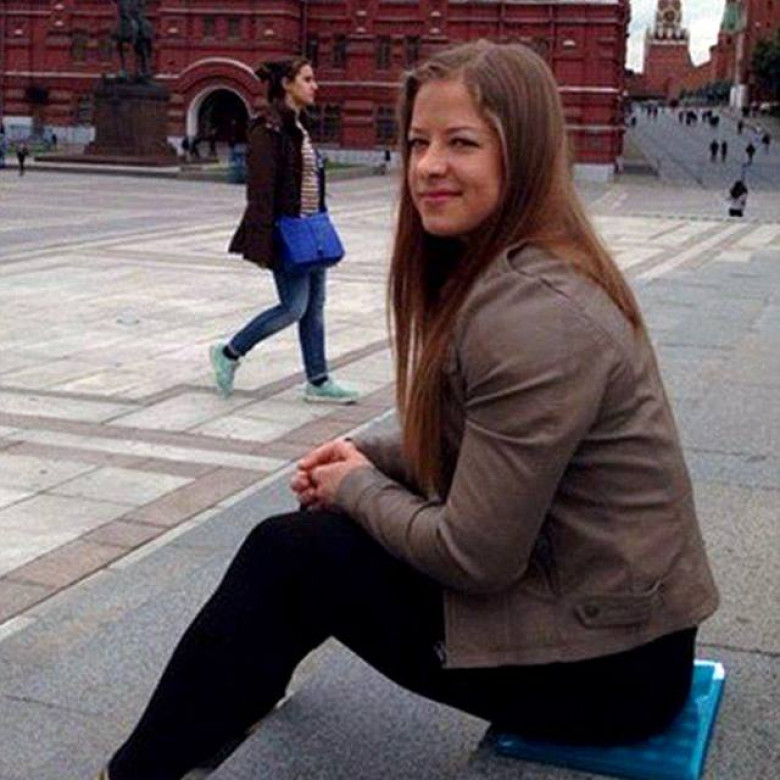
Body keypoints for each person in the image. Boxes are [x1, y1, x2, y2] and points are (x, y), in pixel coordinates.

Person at [97, 41, 719, 780]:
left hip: (608, 673)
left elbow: (475, 557)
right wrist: (366, 456)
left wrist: (357, 487)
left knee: (291, 556)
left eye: (462, 143)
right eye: (419, 142)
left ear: (522, 152)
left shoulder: (533, 315)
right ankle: (233, 696)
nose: (428, 166)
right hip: (617, 624)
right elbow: (478, 435)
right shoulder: (523, 267)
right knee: (308, 547)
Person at [212, 58, 358, 404]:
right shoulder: (268, 130)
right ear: (287, 84)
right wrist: (265, 244)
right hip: (288, 233)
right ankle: (229, 352)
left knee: (314, 308)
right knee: (294, 307)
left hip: (312, 230)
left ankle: (318, 381)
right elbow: (261, 193)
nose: (315, 86)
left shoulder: (299, 126)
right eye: (307, 79)